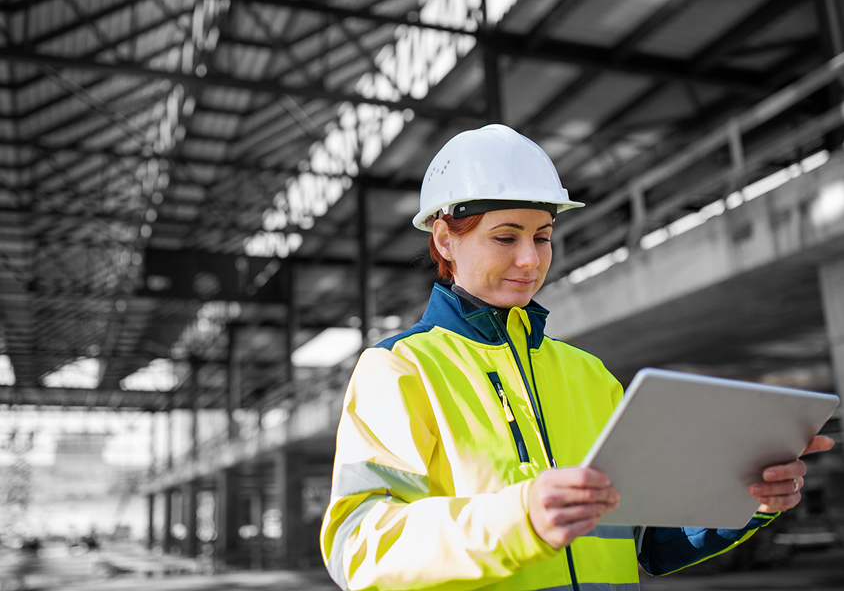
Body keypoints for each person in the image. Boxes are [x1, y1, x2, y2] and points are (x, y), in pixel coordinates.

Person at [319, 124, 834, 591]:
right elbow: (360, 547)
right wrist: (522, 519)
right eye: (505, 237)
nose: (530, 259)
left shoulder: (588, 374)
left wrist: (745, 500)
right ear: (444, 239)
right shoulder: (400, 370)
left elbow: (648, 539)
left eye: (543, 237)